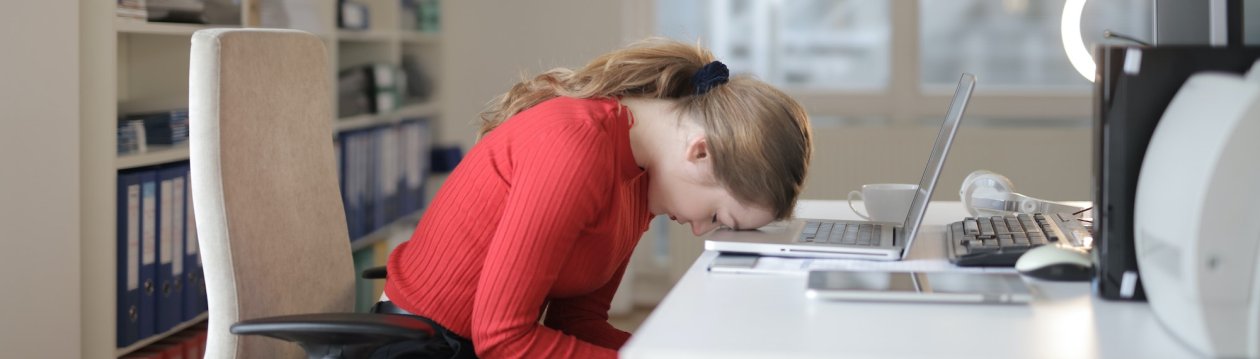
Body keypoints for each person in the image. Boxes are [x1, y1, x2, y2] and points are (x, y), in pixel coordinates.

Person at [378, 38, 813, 358]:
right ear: (700, 152)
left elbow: (577, 323)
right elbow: (503, 338)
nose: (700, 228)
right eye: (718, 214)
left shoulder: (642, 179)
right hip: (422, 348)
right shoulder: (576, 147)